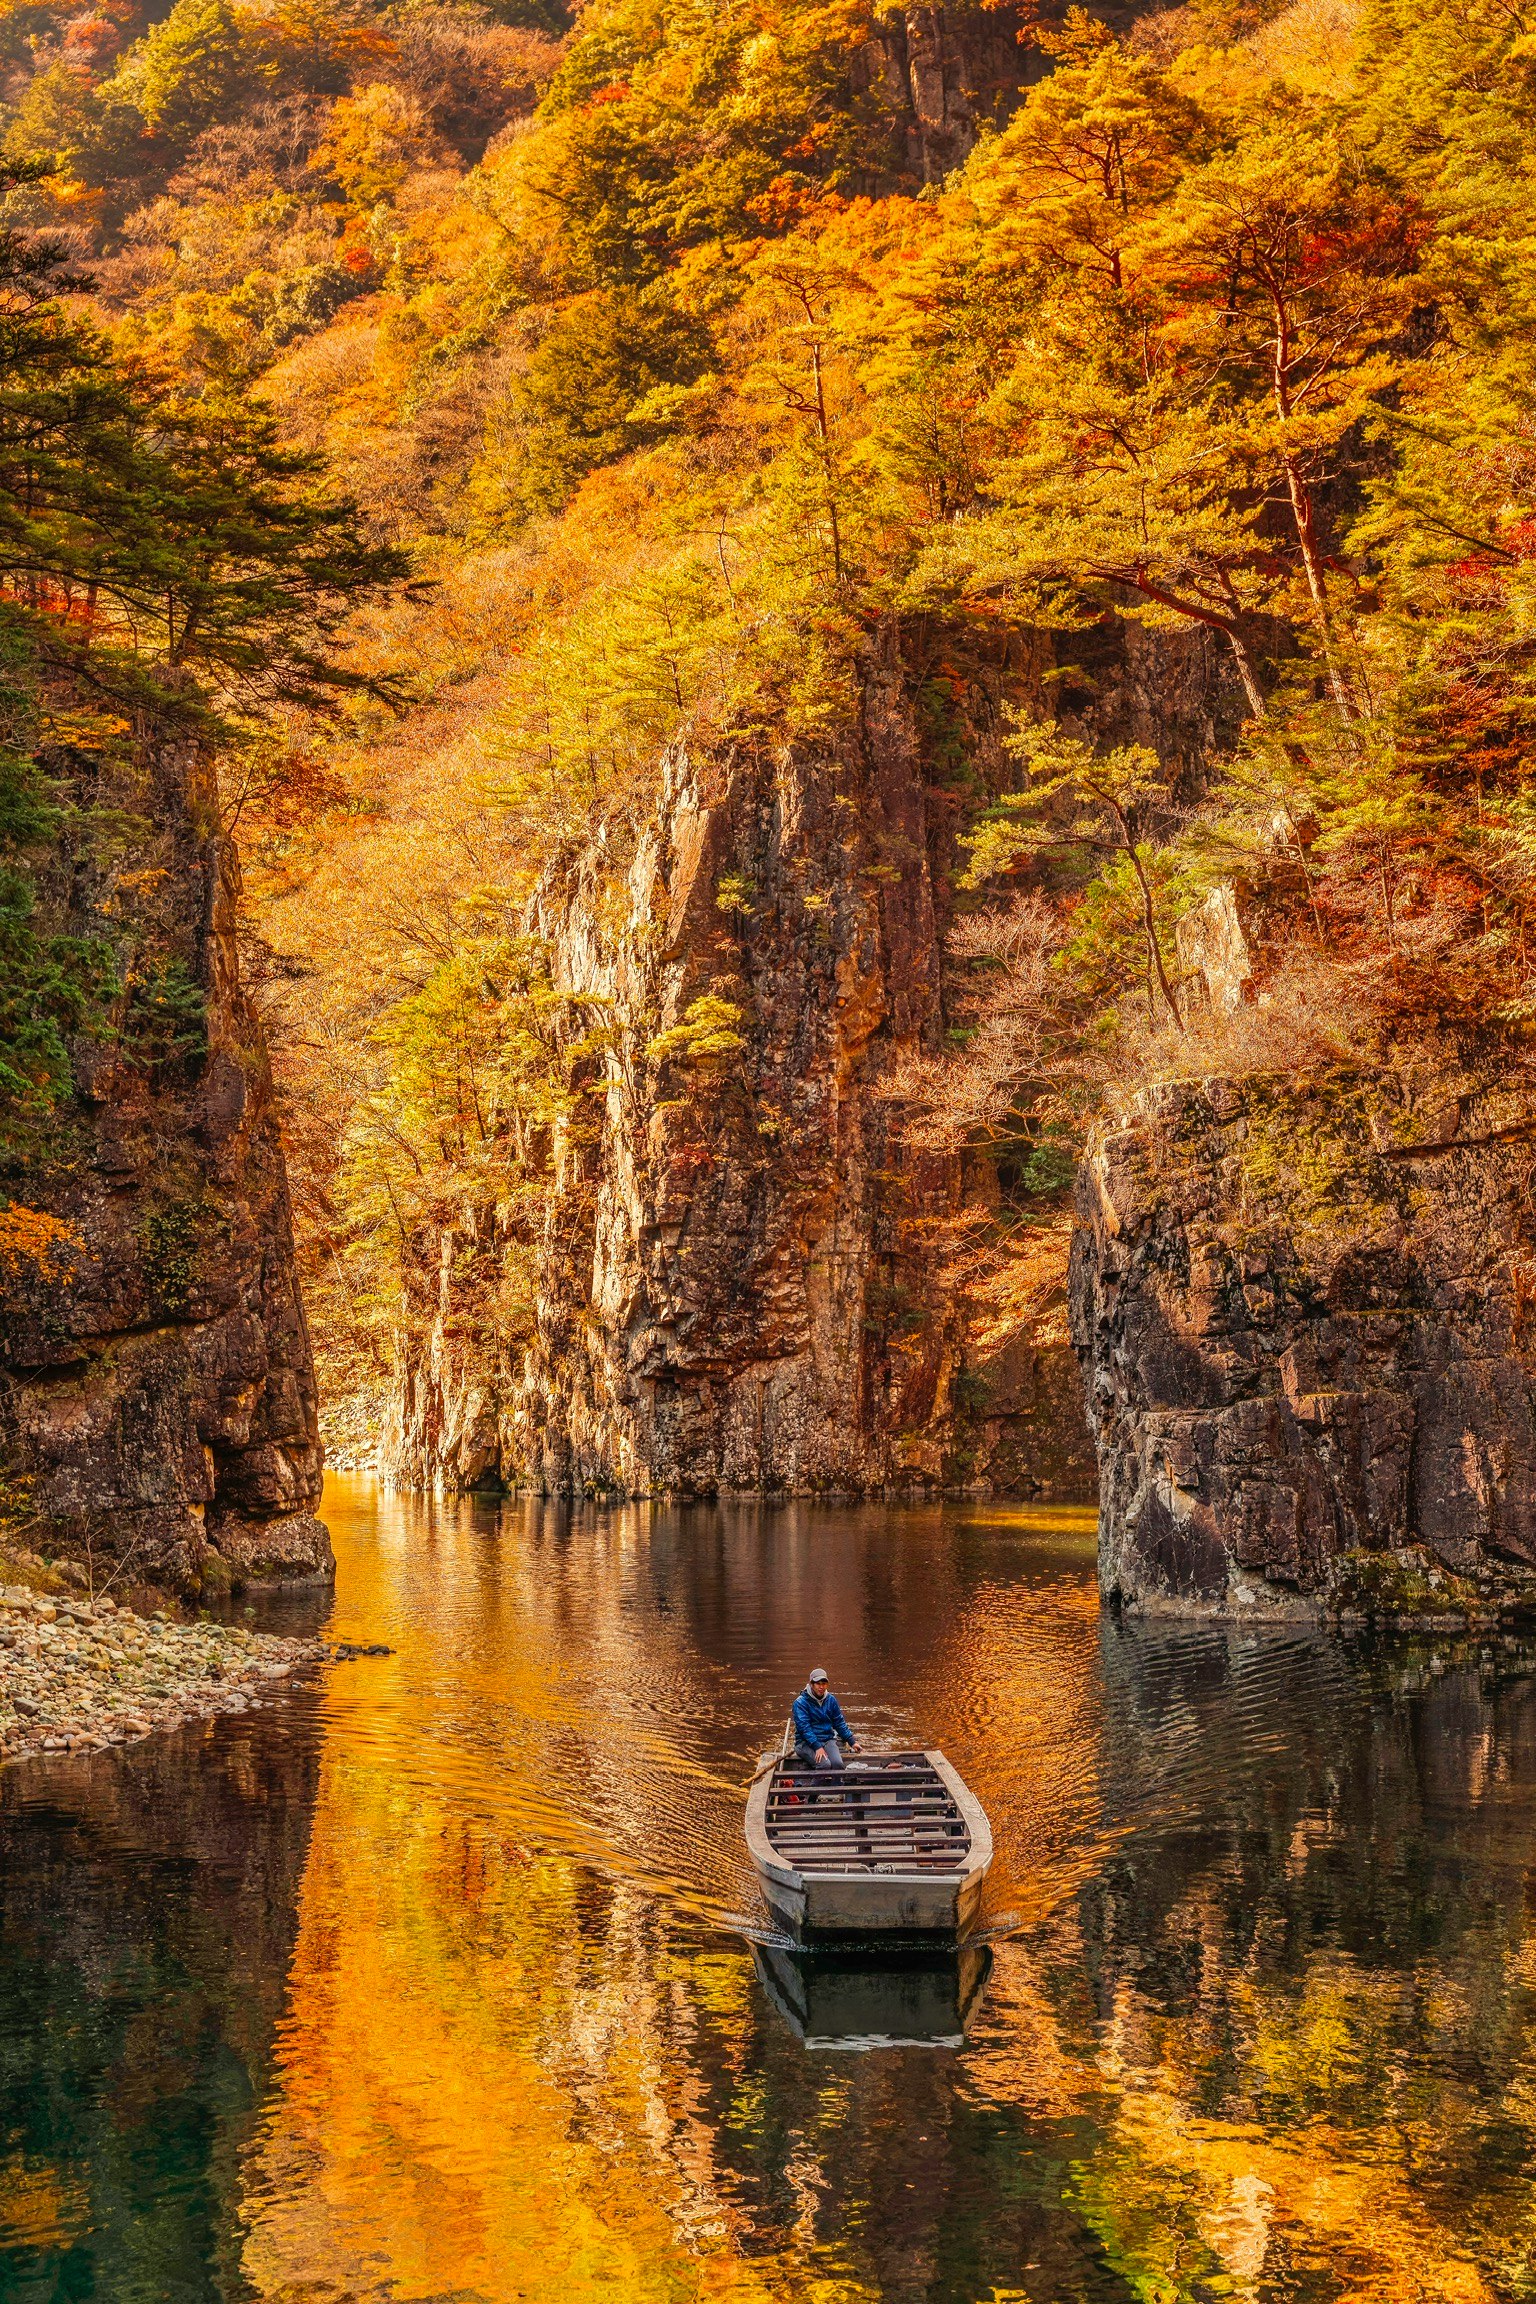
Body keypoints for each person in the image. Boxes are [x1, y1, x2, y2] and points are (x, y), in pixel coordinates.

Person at [792, 1668, 858, 1769]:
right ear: (811, 1684)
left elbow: (839, 1722)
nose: (821, 1687)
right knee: (824, 1764)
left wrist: (852, 1741)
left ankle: (836, 1784)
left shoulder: (831, 1700)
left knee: (838, 1764)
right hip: (805, 1743)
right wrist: (817, 1746)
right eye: (818, 1684)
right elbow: (804, 1729)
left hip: (827, 1740)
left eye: (824, 1684)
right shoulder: (800, 1703)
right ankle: (815, 1784)